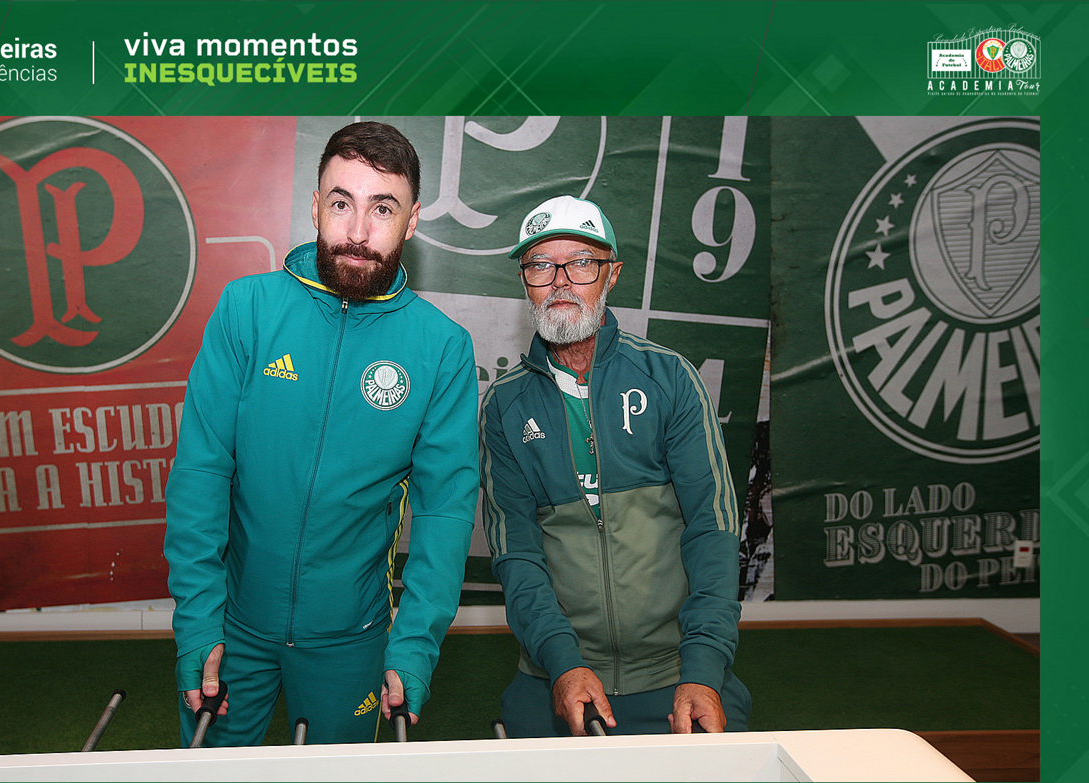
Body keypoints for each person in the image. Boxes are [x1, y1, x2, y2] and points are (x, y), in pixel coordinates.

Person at [166, 122, 478, 746]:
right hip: (233, 628)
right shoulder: (246, 310)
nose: (358, 231)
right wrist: (199, 621)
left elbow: (445, 512)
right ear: (314, 207)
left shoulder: (443, 348)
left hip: (353, 642)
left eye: (382, 208)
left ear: (412, 221)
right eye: (341, 203)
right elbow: (201, 474)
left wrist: (413, 645)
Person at [479, 195, 750, 737]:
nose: (560, 281)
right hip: (554, 673)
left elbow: (713, 531)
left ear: (612, 274)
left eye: (581, 262)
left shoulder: (670, 379)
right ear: (525, 282)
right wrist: (563, 663)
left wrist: (702, 670)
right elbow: (517, 554)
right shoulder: (505, 405)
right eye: (540, 264)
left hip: (677, 673)